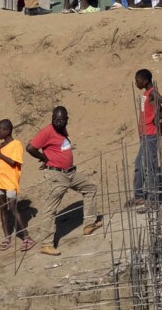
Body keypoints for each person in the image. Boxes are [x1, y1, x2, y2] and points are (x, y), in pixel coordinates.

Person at [24, 106, 104, 253]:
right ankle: (46, 244)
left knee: (90, 188)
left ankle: (89, 224)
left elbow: (59, 148)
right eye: (55, 119)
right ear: (52, 118)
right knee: (50, 209)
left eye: (61, 119)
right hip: (56, 176)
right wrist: (44, 158)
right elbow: (30, 148)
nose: (58, 122)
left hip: (70, 173)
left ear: (66, 120)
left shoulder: (62, 130)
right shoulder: (47, 131)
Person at [132, 69, 162, 210]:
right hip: (145, 135)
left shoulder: (152, 93)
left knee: (150, 167)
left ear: (145, 81)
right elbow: (158, 107)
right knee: (139, 165)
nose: (136, 82)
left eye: (138, 80)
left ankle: (154, 200)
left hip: (150, 135)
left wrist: (159, 117)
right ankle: (138, 196)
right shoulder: (146, 94)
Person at [0, 119, 33, 251]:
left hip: (10, 183)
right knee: (3, 209)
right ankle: (7, 237)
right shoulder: (0, 145)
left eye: (0, 130)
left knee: (13, 209)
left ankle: (27, 237)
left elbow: (13, 163)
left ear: (8, 131)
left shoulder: (16, 144)